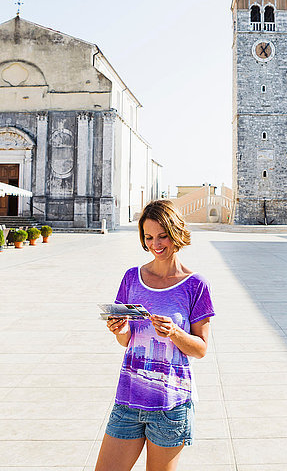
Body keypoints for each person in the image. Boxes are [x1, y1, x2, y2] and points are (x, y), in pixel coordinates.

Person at [95, 200, 215, 471]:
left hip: (170, 407)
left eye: (163, 236)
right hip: (127, 400)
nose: (156, 244)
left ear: (176, 234)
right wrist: (121, 329)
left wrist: (174, 332)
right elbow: (126, 340)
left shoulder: (196, 285)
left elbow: (201, 349)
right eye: (148, 237)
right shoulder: (131, 278)